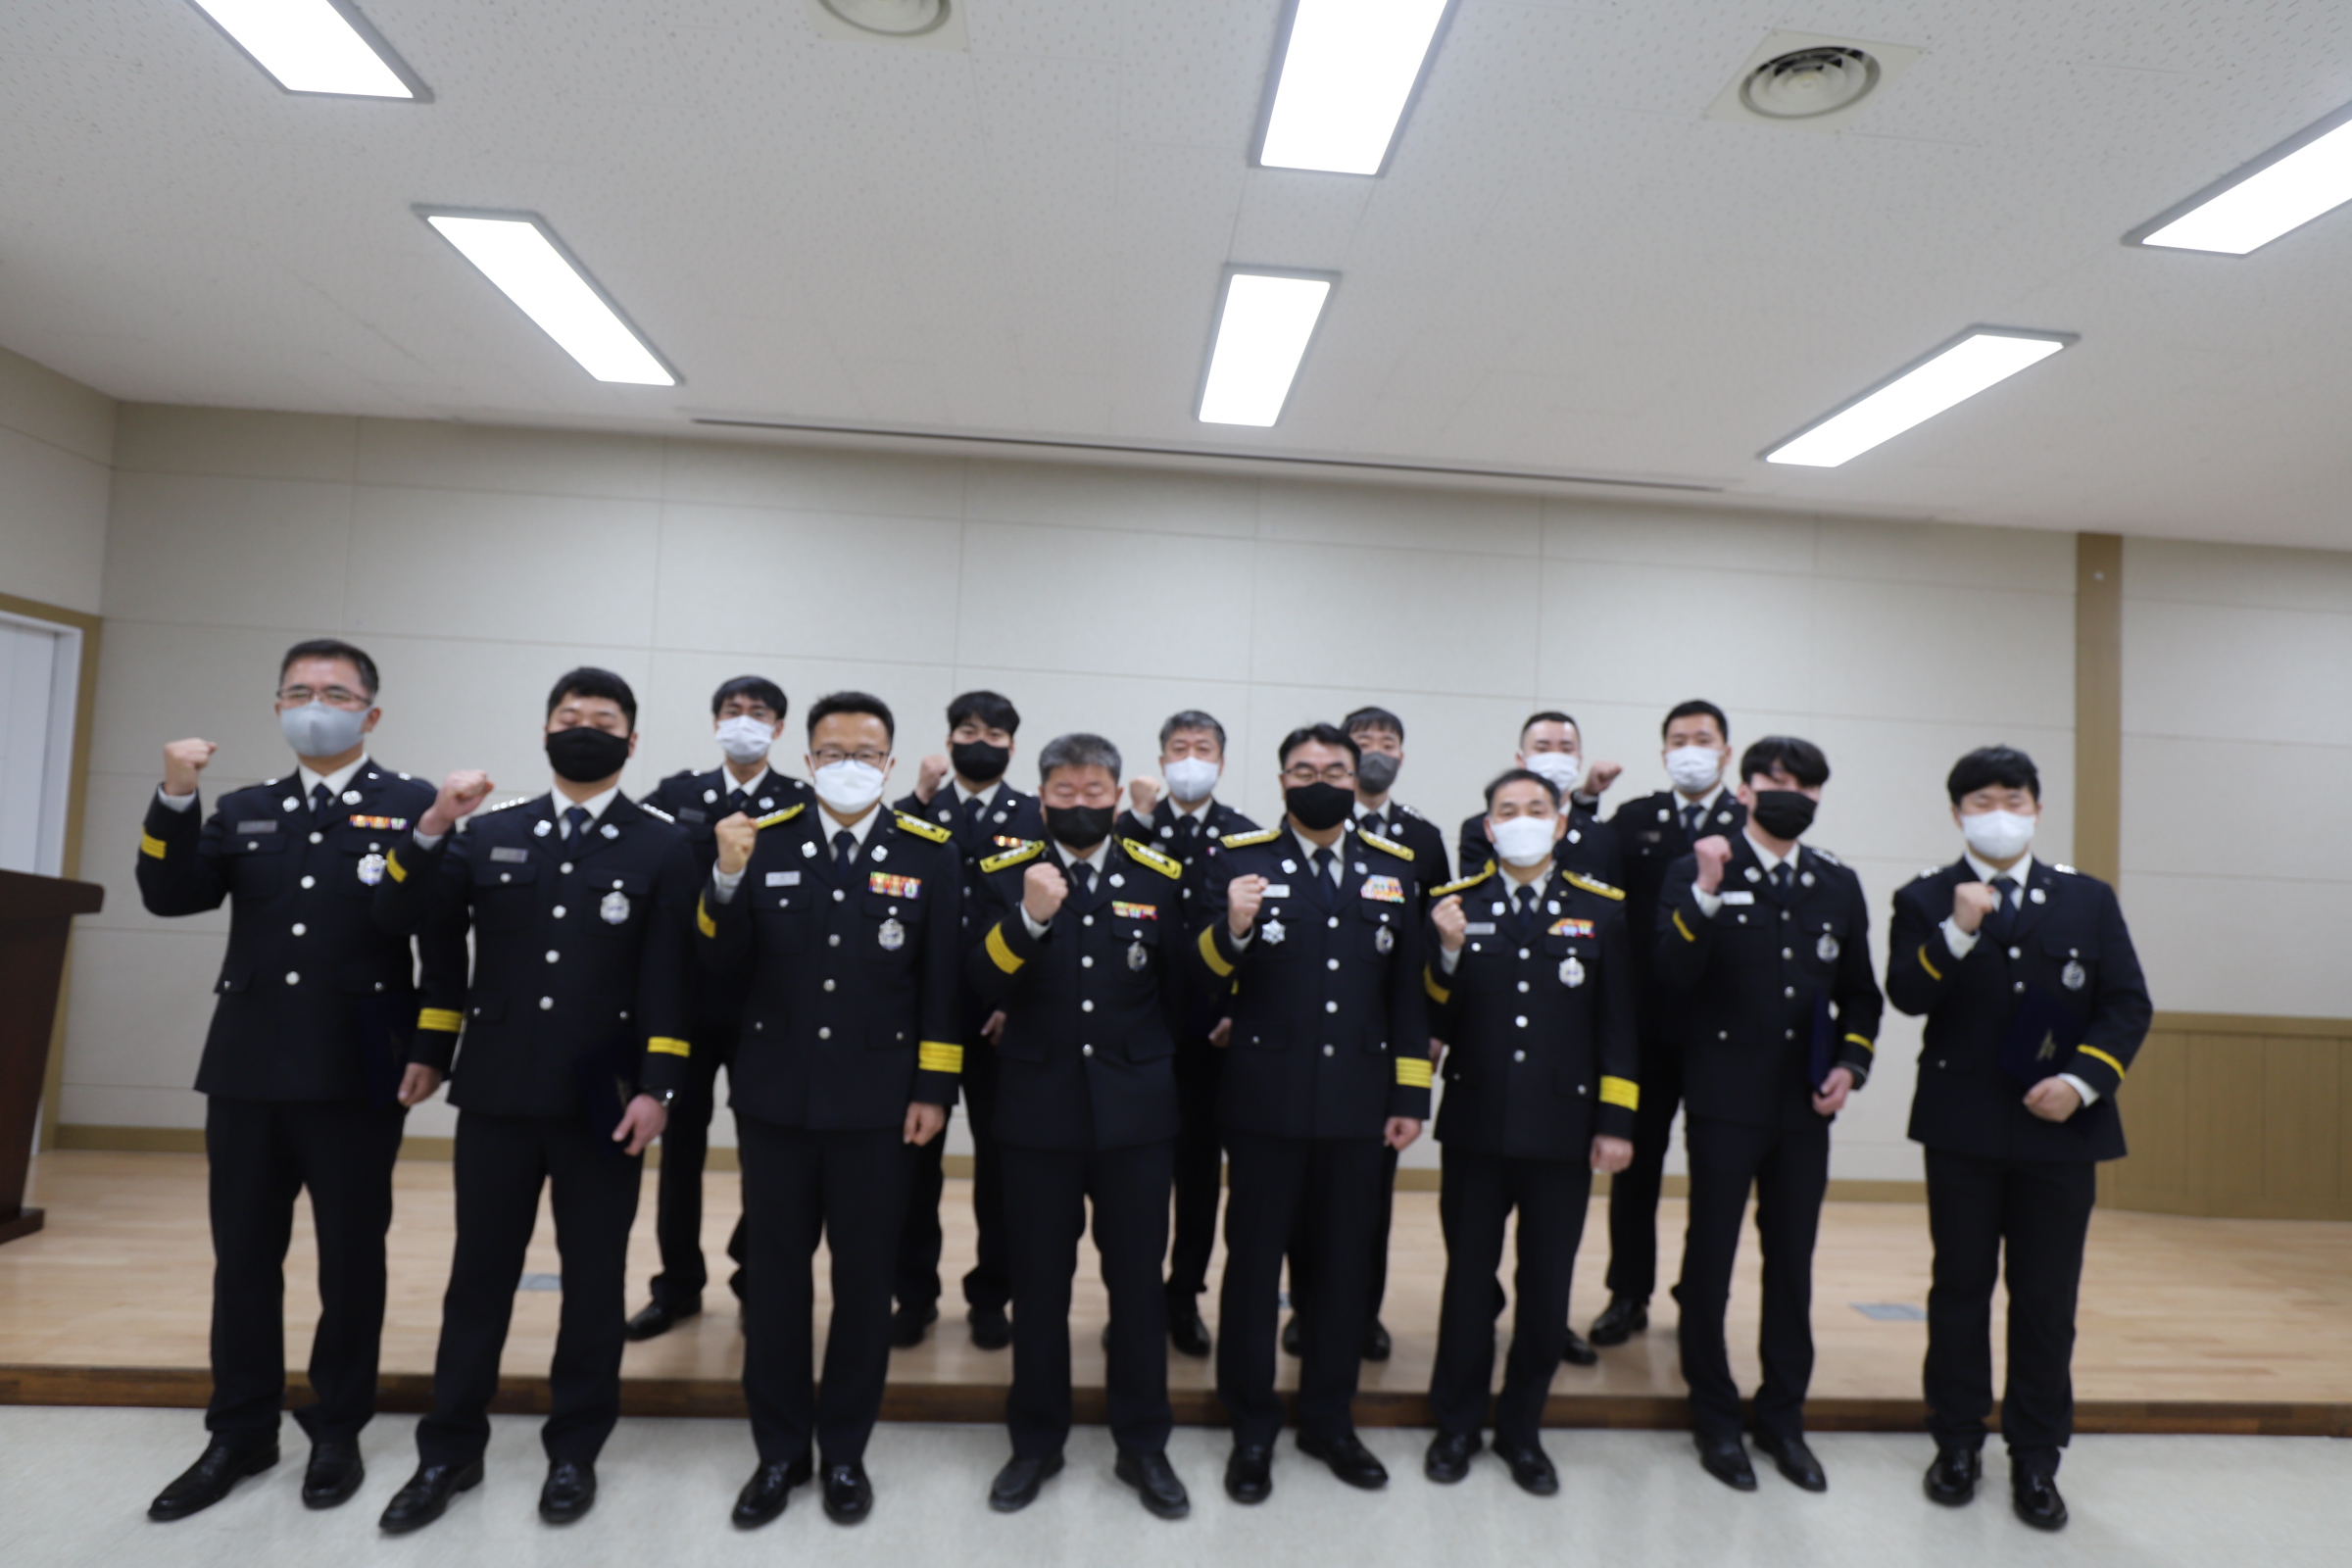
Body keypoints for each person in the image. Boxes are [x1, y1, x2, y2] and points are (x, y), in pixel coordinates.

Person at [371, 667, 695, 1534]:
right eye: (568, 716)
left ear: (632, 741)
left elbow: (672, 979)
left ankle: (574, 1450)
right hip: (499, 1090)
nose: (583, 728)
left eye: (603, 719)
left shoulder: (663, 844)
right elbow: (408, 921)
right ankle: (448, 1451)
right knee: (478, 1278)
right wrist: (434, 823)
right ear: (545, 731)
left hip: (605, 1100)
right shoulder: (488, 832)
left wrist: (659, 1087)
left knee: (594, 1283)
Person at [137, 639, 436, 1522]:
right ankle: (240, 1430)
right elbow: (171, 893)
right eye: (299, 691)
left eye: (336, 694)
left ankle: (337, 1427)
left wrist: (432, 1044)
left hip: (358, 1066)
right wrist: (176, 797)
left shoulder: (412, 805)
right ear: (276, 708)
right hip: (249, 1065)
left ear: (371, 713)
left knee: (351, 1259)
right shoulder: (244, 807)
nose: (316, 705)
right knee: (243, 1259)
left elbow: (437, 935)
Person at [703, 691, 963, 1530]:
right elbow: (717, 965)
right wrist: (725, 878)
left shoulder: (928, 850)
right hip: (776, 1099)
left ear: (890, 763)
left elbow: (943, 984)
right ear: (808, 759)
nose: (850, 765)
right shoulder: (760, 839)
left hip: (879, 1108)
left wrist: (934, 1089)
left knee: (863, 1283)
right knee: (775, 1283)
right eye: (834, 752)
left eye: (866, 753)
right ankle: (779, 1452)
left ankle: (845, 1451)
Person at [1886, 746, 2150, 1533]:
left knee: (2046, 1300)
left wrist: (2082, 1082)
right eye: (1981, 801)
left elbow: (2127, 1004)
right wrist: (1958, 930)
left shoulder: (2086, 898)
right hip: (1962, 1128)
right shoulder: (1924, 896)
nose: (1998, 814)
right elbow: (1907, 993)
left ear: (2036, 808)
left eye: (2013, 799)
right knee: (1959, 1289)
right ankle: (1957, 1442)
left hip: (2059, 1132)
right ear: (1956, 813)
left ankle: (2037, 1455)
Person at [1194, 723, 1430, 1503]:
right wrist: (1231, 928)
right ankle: (1251, 1426)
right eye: (1303, 770)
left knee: (1342, 1273)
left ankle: (1330, 1420)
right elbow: (1199, 977)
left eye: (1333, 769)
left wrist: (1409, 1097)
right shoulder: (1239, 859)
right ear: (1281, 781)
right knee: (1253, 1270)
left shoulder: (1393, 867)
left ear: (1355, 777)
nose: (1319, 781)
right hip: (1263, 1101)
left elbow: (1405, 994)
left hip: (1360, 1107)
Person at [965, 734, 1192, 1519]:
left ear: (1117, 797)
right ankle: (1035, 1442)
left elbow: (1183, 995)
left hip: (1137, 1116)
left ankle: (1144, 1443)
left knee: (1137, 1288)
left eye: (1095, 792)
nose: (1081, 804)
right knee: (1039, 1286)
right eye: (1064, 792)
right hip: (1037, 1113)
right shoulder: (1004, 874)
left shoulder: (1159, 875)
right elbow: (978, 980)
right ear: (1041, 798)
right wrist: (1029, 919)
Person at [1653, 735, 1882, 1494]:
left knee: (1791, 1263)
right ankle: (1714, 1417)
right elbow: (1670, 974)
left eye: (1806, 787)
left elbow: (1861, 995)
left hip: (1804, 1106)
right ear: (1745, 789)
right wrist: (1706, 888)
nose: (1792, 795)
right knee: (1710, 1261)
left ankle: (1783, 1417)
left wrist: (1850, 1064)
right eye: (1775, 781)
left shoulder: (1835, 882)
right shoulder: (1697, 867)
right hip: (1724, 1100)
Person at [1423, 770, 1638, 1495]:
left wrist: (1616, 1123)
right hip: (1476, 1126)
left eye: (1535, 809)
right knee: (1467, 1285)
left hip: (1562, 1133)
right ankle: (1456, 1424)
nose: (1521, 819)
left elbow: (1619, 1028)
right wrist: (1447, 953)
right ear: (1488, 828)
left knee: (1546, 1290)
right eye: (1506, 810)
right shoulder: (1455, 906)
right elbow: (1432, 1019)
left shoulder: (1602, 909)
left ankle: (1522, 1430)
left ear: (1560, 823)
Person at [626, 675, 810, 1341]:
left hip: (769, 1002)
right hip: (686, 1001)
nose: (744, 722)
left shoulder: (802, 802)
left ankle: (756, 1275)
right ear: (714, 722)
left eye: (759, 713)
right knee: (680, 1151)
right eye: (733, 711)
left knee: (769, 1154)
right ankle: (677, 1284)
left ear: (779, 729)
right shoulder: (676, 797)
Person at [1274, 706, 1447, 1365]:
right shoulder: (1274, 848)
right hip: (1297, 1052)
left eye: (1386, 741)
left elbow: (1425, 953)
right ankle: (1303, 1304)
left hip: (1373, 1055)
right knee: (1298, 1202)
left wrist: (1423, 1049)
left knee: (1367, 1202)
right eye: (1363, 740)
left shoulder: (1420, 841)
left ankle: (1362, 1312)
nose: (1376, 751)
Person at [1590, 699, 1745, 1349]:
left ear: (1726, 752)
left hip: (1722, 1030)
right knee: (1636, 1166)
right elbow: (1596, 888)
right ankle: (1628, 1292)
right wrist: (1586, 801)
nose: (1690, 750)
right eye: (1679, 739)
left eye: (1702, 739)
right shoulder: (1635, 819)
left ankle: (1698, 1298)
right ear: (1663, 752)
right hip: (1646, 1025)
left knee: (1716, 1175)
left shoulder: (1751, 821)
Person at [892, 689, 1044, 1349]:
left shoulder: (1035, 816)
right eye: (967, 730)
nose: (980, 742)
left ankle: (991, 1296)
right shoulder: (918, 810)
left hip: (998, 1022)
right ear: (949, 739)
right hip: (920, 1018)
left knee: (1001, 1169)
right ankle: (914, 1295)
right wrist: (918, 798)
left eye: (994, 734)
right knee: (912, 1165)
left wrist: (1015, 1000)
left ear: (1013, 746)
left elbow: (1050, 921)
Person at [1115, 709, 1258, 1358]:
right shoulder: (1133, 827)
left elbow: (1259, 939)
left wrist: (1238, 1008)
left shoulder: (1244, 837)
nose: (1191, 759)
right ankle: (1134, 1300)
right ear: (1161, 759)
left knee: (1198, 1178)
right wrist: (1140, 818)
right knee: (1133, 1181)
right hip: (1136, 1027)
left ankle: (1183, 1297)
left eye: (1204, 748)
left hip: (1209, 1034)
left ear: (1221, 763)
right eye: (1179, 748)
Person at [1451, 710, 1625, 890]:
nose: (1555, 759)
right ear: (1521, 759)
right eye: (1542, 749)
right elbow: (1474, 894)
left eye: (1566, 749)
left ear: (1579, 761)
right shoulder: (1481, 829)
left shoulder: (1601, 835)